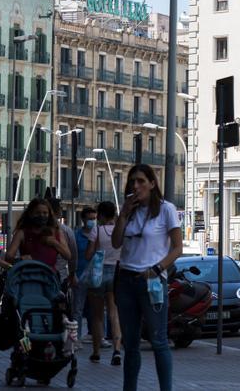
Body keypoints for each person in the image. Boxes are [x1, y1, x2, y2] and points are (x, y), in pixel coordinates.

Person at [112, 165, 183, 391]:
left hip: (152, 280)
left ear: (152, 183)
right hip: (125, 280)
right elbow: (115, 243)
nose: (136, 186)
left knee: (158, 341)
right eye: (132, 181)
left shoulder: (166, 210)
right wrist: (122, 215)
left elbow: (178, 247)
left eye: (141, 181)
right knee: (130, 345)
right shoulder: (128, 211)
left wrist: (157, 268)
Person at [86, 201, 123, 365]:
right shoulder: (119, 230)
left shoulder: (96, 230)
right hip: (117, 273)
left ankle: (96, 352)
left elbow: (88, 254)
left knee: (97, 315)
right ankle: (116, 350)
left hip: (99, 275)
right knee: (114, 313)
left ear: (100, 215)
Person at [5, 198, 72, 268]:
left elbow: (68, 255)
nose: (41, 216)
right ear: (31, 214)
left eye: (45, 213)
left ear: (49, 215)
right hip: (28, 275)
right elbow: (8, 256)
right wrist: (21, 259)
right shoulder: (22, 233)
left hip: (49, 276)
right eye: (37, 213)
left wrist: (54, 243)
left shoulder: (56, 232)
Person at [74, 207, 97, 338]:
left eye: (94, 218)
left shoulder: (98, 234)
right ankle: (76, 337)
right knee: (78, 308)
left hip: (95, 277)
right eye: (90, 219)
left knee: (96, 309)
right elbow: (73, 256)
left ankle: (97, 335)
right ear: (83, 219)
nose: (92, 221)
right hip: (80, 275)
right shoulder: (77, 235)